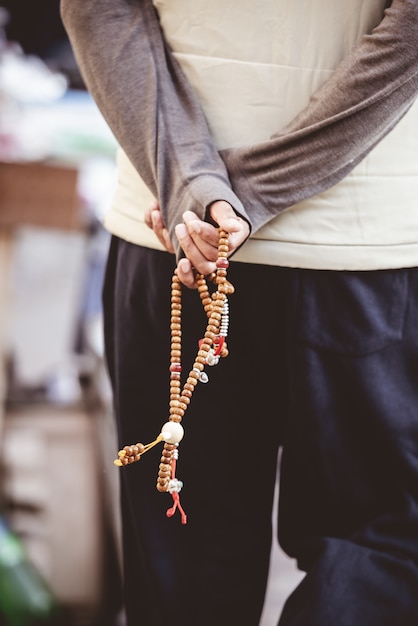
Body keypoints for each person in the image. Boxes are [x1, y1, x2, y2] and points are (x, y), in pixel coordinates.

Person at [60, 1, 418, 624]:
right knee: (368, 563)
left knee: (184, 576)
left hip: (181, 234)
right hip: (355, 252)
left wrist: (199, 186)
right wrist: (219, 189)